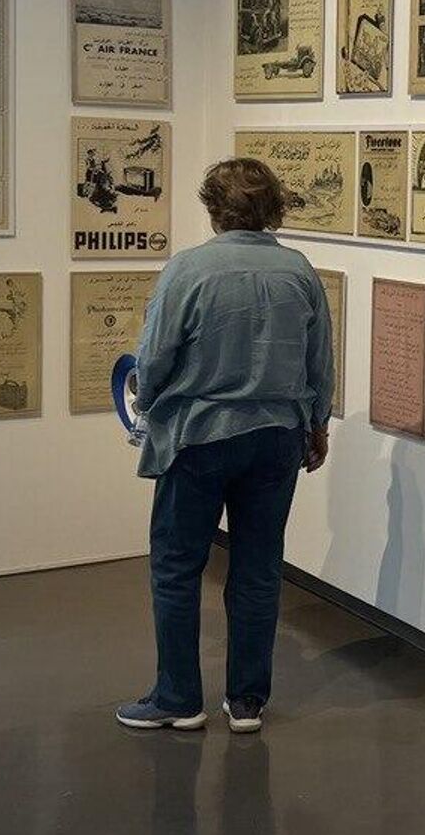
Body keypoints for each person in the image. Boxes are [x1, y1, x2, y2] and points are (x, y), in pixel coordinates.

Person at [117, 157, 333, 735]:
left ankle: (178, 698)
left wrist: (146, 405)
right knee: (259, 568)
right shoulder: (299, 271)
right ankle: (246, 703)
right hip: (276, 438)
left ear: (214, 207)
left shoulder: (188, 270)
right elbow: (319, 362)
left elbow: (153, 359)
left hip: (199, 437)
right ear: (273, 208)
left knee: (176, 566)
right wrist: (317, 424)